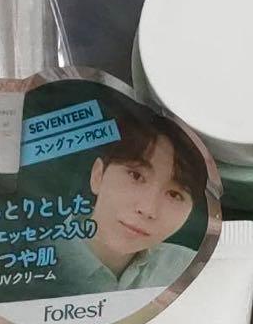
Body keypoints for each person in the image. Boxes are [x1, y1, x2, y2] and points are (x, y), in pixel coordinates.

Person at [57, 107, 207, 295]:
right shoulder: (32, 258)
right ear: (97, 176)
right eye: (136, 176)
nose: (148, 209)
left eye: (175, 195)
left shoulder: (194, 269)